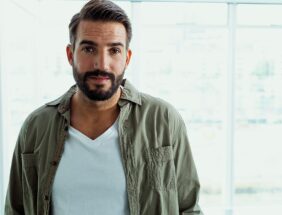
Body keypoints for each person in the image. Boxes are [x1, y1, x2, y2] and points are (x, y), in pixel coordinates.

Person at [4, 0, 202, 214]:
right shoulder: (36, 126)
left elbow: (189, 208)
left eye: (114, 50)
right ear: (71, 55)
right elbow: (15, 209)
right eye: (89, 49)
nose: (101, 63)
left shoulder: (163, 120)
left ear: (127, 58)